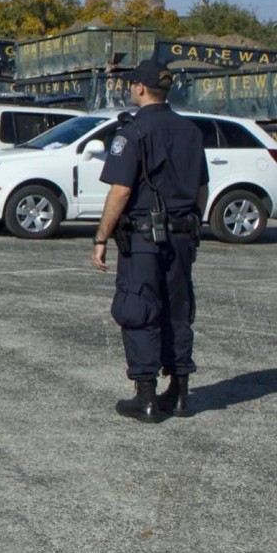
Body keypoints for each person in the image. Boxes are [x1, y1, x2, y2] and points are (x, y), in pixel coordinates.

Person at [91, 59, 207, 423]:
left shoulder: (132, 132)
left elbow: (120, 191)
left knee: (139, 309)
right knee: (177, 310)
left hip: (144, 238)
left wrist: (101, 237)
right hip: (183, 236)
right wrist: (191, 227)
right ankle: (181, 394)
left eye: (131, 85)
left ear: (140, 88)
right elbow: (201, 189)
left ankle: (145, 398)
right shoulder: (191, 131)